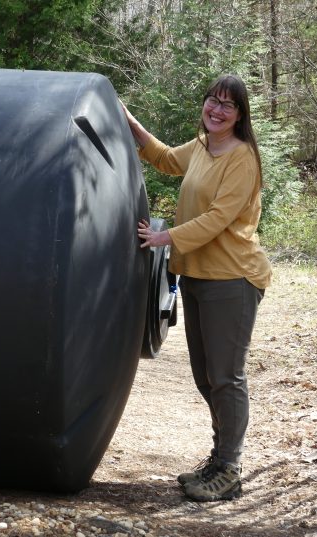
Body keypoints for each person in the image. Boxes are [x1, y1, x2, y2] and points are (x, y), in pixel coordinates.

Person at [122, 74, 272, 502]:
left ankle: (230, 468)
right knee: (206, 377)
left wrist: (164, 238)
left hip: (233, 278)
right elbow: (167, 158)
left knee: (226, 377)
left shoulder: (243, 158)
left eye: (228, 105)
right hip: (198, 276)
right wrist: (129, 121)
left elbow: (219, 218)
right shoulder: (204, 146)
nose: (217, 110)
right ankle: (219, 458)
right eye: (213, 101)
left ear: (240, 115)